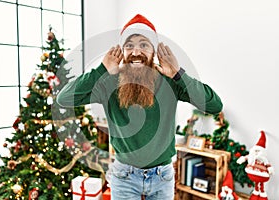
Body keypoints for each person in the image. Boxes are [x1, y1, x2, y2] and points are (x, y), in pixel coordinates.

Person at [57, 14, 223, 200]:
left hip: (163, 177)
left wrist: (178, 74)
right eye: (129, 45)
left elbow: (214, 105)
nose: (136, 51)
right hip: (124, 177)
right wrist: (101, 69)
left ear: (154, 51)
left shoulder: (171, 81)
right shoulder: (108, 83)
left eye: (144, 44)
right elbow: (64, 99)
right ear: (123, 51)